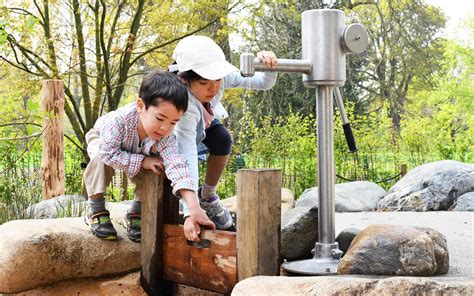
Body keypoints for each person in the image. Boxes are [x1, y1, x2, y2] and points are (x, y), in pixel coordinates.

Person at [83, 71, 215, 242]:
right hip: (103, 142)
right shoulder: (118, 121)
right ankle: (96, 208)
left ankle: (137, 210)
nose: (165, 128)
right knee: (99, 159)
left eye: (173, 122)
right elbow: (109, 153)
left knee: (158, 165)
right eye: (160, 118)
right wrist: (143, 161)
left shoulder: (165, 136)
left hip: (138, 149)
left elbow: (177, 166)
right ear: (140, 106)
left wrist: (194, 207)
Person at [169, 35, 278, 230]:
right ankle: (143, 207)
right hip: (171, 138)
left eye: (217, 79)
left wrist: (267, 65)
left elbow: (262, 83)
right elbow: (187, 153)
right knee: (167, 167)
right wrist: (190, 211)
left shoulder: (220, 78)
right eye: (204, 83)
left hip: (204, 125)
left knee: (221, 138)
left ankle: (208, 196)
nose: (213, 87)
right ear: (184, 79)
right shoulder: (182, 101)